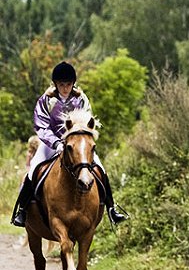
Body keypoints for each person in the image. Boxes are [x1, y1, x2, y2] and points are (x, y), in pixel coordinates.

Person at [11, 61, 128, 228]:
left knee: (101, 170)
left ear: (73, 83)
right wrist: (57, 143)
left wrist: (79, 141)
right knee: (32, 171)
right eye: (61, 84)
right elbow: (41, 126)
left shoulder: (81, 99)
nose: (65, 88)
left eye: (68, 84)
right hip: (51, 143)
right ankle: (22, 210)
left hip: (77, 144)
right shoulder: (46, 100)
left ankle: (111, 209)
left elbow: (88, 122)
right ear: (55, 84)